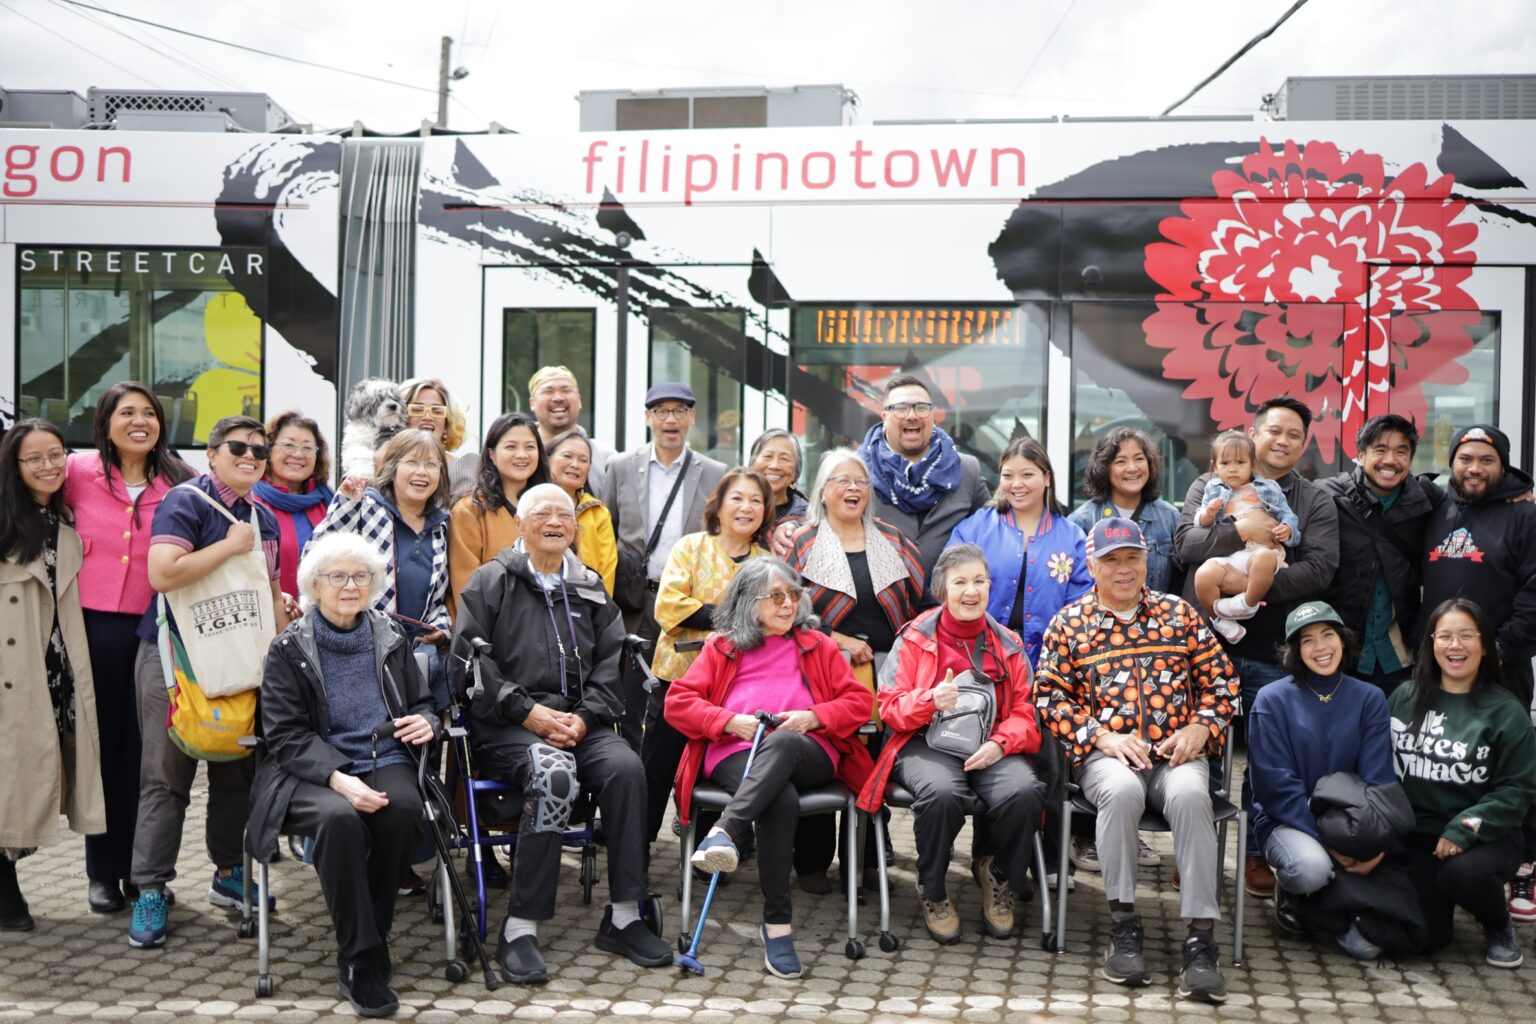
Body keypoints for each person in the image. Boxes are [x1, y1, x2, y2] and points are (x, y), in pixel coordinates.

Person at [452, 484, 673, 984]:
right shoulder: (490, 582)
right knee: (553, 773)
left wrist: (587, 716)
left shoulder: (589, 584)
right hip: (509, 726)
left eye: (564, 515)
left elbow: (610, 663)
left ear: (574, 527)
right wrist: (526, 711)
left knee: (625, 769)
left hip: (579, 721)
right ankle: (521, 927)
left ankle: (623, 917)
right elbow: (468, 664)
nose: (555, 522)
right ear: (521, 524)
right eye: (543, 513)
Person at [1037, 518, 1238, 1004]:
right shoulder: (1069, 624)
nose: (1123, 569)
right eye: (1111, 560)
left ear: (1147, 561)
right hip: (1108, 758)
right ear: (1091, 566)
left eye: (1132, 557)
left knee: (1193, 796)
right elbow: (1048, 697)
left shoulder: (1180, 614)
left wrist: (1201, 727)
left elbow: (1224, 683)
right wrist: (1100, 735)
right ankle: (1124, 924)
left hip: (1177, 753)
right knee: (1124, 794)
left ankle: (1199, 937)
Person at [246, 532, 437, 1017]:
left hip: (385, 756)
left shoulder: (390, 637)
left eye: (360, 576)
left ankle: (367, 938)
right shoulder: (288, 648)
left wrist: (427, 720)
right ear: (314, 584)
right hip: (308, 772)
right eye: (337, 577)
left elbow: (422, 703)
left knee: (405, 809)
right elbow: (285, 735)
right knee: (340, 820)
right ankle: (362, 957)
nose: (350, 586)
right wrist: (338, 778)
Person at [665, 558, 875, 978]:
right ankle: (777, 925)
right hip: (736, 751)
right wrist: (729, 721)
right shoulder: (722, 647)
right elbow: (678, 703)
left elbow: (859, 703)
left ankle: (727, 829)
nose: (788, 604)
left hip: (810, 751)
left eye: (793, 595)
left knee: (781, 740)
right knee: (778, 797)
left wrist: (812, 717)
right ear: (748, 603)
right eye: (776, 596)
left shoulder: (818, 644)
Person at [128, 415, 289, 950]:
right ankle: (150, 888)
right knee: (166, 779)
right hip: (178, 664)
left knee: (236, 777)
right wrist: (231, 545)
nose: (250, 457)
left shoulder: (262, 515)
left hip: (240, 664)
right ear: (214, 453)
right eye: (238, 447)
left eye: (259, 452)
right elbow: (162, 574)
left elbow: (267, 588)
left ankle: (228, 872)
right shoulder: (186, 502)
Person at [1174, 396, 1340, 899]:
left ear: (1304, 442)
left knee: (1267, 760)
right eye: (1273, 430)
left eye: (1294, 433)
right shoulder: (1210, 483)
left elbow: (1319, 570)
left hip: (1273, 651)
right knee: (1199, 750)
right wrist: (1239, 531)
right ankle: (1196, 852)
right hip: (1207, 647)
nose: (1282, 440)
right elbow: (1186, 548)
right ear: (1252, 433)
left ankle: (1255, 853)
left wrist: (1251, 586)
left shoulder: (1312, 501)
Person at [857, 544, 1046, 945]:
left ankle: (997, 876)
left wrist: (1000, 743)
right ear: (942, 589)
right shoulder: (915, 637)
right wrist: (929, 701)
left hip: (990, 745)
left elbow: (1026, 713)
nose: (971, 591)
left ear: (990, 587)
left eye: (979, 581)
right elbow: (888, 707)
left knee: (1025, 791)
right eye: (960, 582)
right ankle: (934, 889)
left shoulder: (1008, 643)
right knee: (942, 794)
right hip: (924, 742)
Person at [63, 383, 191, 915]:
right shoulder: (75, 472)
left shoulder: (182, 482)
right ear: (106, 423)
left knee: (148, 755)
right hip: (92, 629)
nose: (140, 422)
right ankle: (101, 871)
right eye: (127, 413)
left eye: (150, 414)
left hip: (155, 629)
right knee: (102, 750)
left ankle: (144, 874)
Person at [784, 448, 925, 892]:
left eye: (860, 482)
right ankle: (810, 863)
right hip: (822, 670)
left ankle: (864, 860)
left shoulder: (893, 539)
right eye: (841, 481)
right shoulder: (803, 543)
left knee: (872, 763)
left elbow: (920, 604)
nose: (852, 489)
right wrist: (836, 638)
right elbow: (785, 611)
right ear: (822, 492)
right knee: (827, 760)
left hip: (887, 674)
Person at [0, 419, 106, 932]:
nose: (48, 465)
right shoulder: (5, 524)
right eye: (34, 458)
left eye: (56, 454)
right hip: (12, 668)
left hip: (56, 668)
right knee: (12, 776)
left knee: (37, 773)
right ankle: (4, 887)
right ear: (14, 467)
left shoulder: (61, 525)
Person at [1390, 598, 1536, 969]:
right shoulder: (1404, 698)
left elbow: (1517, 791)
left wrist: (1462, 830)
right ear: (1431, 643)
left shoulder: (1506, 711)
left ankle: (1498, 923)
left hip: (1485, 837)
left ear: (1484, 644)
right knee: (1423, 939)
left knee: (1463, 873)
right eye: (1445, 636)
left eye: (1466, 636)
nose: (1455, 646)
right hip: (1420, 839)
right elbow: (1381, 770)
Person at [1247, 601, 1397, 957]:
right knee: (1311, 868)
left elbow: (1379, 779)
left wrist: (1374, 844)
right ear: (1295, 651)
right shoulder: (1271, 700)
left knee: (1370, 948)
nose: (1321, 648)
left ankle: (1336, 908)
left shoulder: (1370, 698)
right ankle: (1294, 891)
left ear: (1343, 640)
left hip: (1352, 823)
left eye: (1328, 635)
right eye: (1308, 640)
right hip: (1289, 821)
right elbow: (1274, 788)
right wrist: (1329, 844)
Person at [642, 469, 773, 844]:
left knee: (714, 766)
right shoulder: (690, 547)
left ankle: (709, 844)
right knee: (657, 764)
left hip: (736, 688)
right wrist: (735, 617)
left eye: (756, 500)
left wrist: (715, 615)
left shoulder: (766, 564)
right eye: (737, 498)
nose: (746, 507)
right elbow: (669, 606)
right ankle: (639, 844)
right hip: (678, 678)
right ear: (718, 506)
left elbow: (772, 619)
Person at [604, 382, 727, 748]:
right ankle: (633, 780)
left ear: (691, 418)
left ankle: (676, 779)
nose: (669, 419)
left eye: (679, 411)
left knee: (680, 696)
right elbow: (607, 529)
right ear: (647, 418)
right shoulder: (621, 467)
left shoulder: (714, 471)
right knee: (628, 697)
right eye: (660, 411)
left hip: (686, 606)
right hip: (635, 600)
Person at [314, 429, 453, 709]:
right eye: (412, 462)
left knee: (419, 731)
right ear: (392, 468)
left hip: (417, 656)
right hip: (361, 646)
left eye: (431, 465)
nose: (421, 472)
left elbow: (441, 595)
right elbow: (316, 557)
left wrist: (441, 627)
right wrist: (346, 504)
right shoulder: (365, 506)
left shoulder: (443, 524)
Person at [1318, 415, 1443, 698]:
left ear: (1410, 460)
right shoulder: (1329, 496)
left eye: (1401, 451)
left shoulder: (1427, 500)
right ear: (1360, 456)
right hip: (1339, 654)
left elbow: (1471, 501)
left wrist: (1515, 494)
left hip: (1399, 658)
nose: (1391, 459)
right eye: (1380, 450)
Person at [1420, 424, 1536, 711]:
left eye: (1487, 460)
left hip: (1501, 672)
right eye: (1466, 459)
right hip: (1436, 669)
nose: (1475, 468)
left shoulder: (1525, 516)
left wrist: (1499, 650)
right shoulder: (1433, 509)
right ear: (1452, 463)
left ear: (1503, 467)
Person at [948, 437, 1091, 667]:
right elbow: (947, 591)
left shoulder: (1072, 538)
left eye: (1027, 475)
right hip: (979, 660)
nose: (1016, 484)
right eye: (1007, 476)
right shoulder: (974, 529)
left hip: (1051, 663)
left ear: (1047, 478)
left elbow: (1082, 607)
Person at [862, 374, 992, 584]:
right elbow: (828, 525)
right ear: (884, 417)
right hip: (882, 607)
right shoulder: (860, 472)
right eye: (901, 408)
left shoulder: (967, 470)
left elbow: (994, 529)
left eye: (921, 407)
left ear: (932, 415)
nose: (912, 416)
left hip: (948, 608)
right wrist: (789, 528)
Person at [1190, 430, 1301, 644]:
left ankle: (1248, 603)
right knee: (1203, 575)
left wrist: (1287, 529)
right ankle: (1219, 620)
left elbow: (1288, 516)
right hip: (1229, 554)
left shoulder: (1268, 488)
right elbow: (1199, 522)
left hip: (1258, 552)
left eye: (1240, 462)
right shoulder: (1212, 489)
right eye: (1225, 463)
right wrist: (1208, 515)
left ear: (1253, 464)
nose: (1233, 468)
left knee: (1265, 560)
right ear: (1214, 466)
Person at [448, 412, 550, 619]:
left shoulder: (550, 508)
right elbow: (466, 590)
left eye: (530, 447)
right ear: (492, 454)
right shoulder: (469, 510)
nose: (522, 455)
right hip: (493, 632)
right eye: (511, 447)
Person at [1069, 427, 1182, 594]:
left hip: (1159, 618)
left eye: (1139, 459)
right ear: (1104, 468)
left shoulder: (1170, 517)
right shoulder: (1082, 521)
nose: (1132, 468)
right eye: (1121, 461)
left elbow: (1181, 582)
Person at [251, 410, 334, 610]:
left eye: (307, 448)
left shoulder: (328, 500)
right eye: (288, 445)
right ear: (268, 449)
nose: (298, 454)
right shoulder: (250, 500)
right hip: (267, 617)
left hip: (323, 620)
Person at [545, 429, 618, 595]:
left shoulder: (598, 512)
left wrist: (599, 611)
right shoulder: (530, 504)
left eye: (583, 460)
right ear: (547, 459)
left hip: (586, 607)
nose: (575, 465)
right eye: (567, 456)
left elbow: (607, 570)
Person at [528, 366, 613, 503]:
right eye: (548, 391)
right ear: (532, 403)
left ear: (579, 400)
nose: (558, 398)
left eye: (566, 390)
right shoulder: (522, 454)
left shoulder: (605, 456)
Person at [398, 377, 475, 500]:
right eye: (417, 409)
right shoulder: (384, 464)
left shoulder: (466, 468)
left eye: (437, 411)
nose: (427, 417)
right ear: (401, 419)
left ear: (447, 423)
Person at [750, 428, 809, 557]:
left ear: (796, 472)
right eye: (767, 456)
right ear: (752, 464)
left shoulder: (810, 515)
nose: (775, 465)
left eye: (785, 459)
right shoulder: (737, 509)